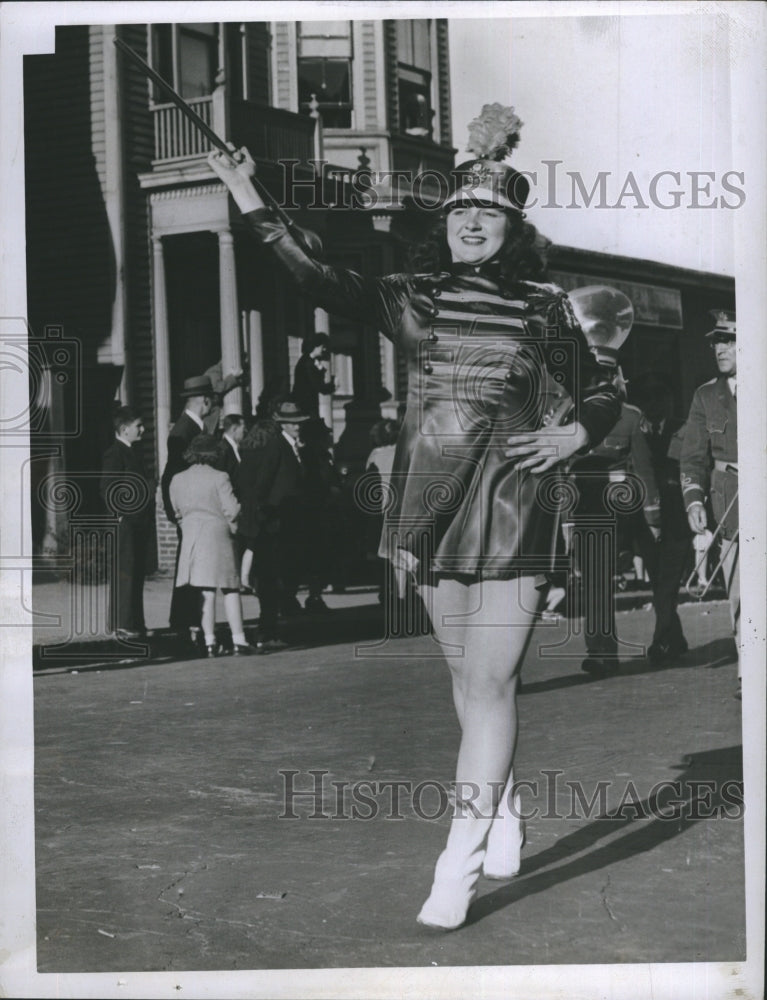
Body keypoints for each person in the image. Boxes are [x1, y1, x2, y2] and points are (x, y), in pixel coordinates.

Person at [209, 104, 620, 930]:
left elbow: (604, 388)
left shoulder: (544, 308)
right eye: (461, 210)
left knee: (493, 680)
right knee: (466, 684)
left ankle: (455, 866)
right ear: (446, 223)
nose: (473, 221)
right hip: (426, 506)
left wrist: (577, 428)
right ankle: (501, 809)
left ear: (513, 230)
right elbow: (313, 277)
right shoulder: (407, 295)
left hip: (513, 499)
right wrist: (245, 190)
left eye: (490, 213)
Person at [680, 310, 739, 696]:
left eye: (729, 339)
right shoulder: (706, 395)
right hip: (730, 509)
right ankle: (749, 671)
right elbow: (692, 458)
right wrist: (694, 500)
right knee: (740, 594)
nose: (720, 348)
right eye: (717, 341)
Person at [169, 435, 257, 657]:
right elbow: (232, 509)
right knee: (230, 587)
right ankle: (239, 639)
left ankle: (209, 641)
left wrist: (187, 524)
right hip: (218, 535)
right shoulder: (220, 477)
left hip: (191, 536)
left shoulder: (177, 479)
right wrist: (233, 527)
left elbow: (176, 511)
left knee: (204, 589)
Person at [238, 398, 311, 645]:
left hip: (287, 523)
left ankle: (270, 628)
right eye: (291, 423)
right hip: (275, 525)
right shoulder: (276, 446)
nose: (297, 426)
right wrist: (265, 517)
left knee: (279, 577)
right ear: (282, 424)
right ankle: (266, 631)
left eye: (299, 422)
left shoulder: (291, 446)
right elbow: (263, 484)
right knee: (270, 579)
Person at [632, 373, 691, 664]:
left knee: (667, 585)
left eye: (660, 397)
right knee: (659, 584)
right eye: (648, 398)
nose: (654, 403)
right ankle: (676, 639)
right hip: (646, 522)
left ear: (668, 400)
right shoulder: (636, 432)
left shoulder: (682, 429)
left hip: (677, 521)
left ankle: (661, 642)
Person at [160, 375, 214, 645]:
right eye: (211, 399)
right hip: (190, 512)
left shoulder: (192, 427)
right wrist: (176, 513)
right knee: (191, 565)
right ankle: (185, 619)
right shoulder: (183, 432)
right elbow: (171, 475)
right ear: (205, 400)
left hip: (194, 511)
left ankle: (188, 618)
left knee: (192, 565)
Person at [99, 406, 154, 639]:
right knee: (126, 572)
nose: (143, 429)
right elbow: (107, 488)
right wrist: (122, 515)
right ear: (124, 429)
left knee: (135, 572)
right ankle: (122, 624)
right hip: (126, 524)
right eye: (138, 426)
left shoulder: (133, 451)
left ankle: (134, 622)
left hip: (136, 523)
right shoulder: (115, 453)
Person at [292, 333, 335, 417]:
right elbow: (319, 386)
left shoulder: (308, 360)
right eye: (323, 346)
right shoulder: (308, 363)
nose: (324, 349)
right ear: (315, 346)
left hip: (306, 404)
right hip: (305, 406)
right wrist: (333, 385)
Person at [219, 413, 246, 496]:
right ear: (234, 429)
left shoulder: (237, 448)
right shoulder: (222, 449)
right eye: (243, 428)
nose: (245, 431)